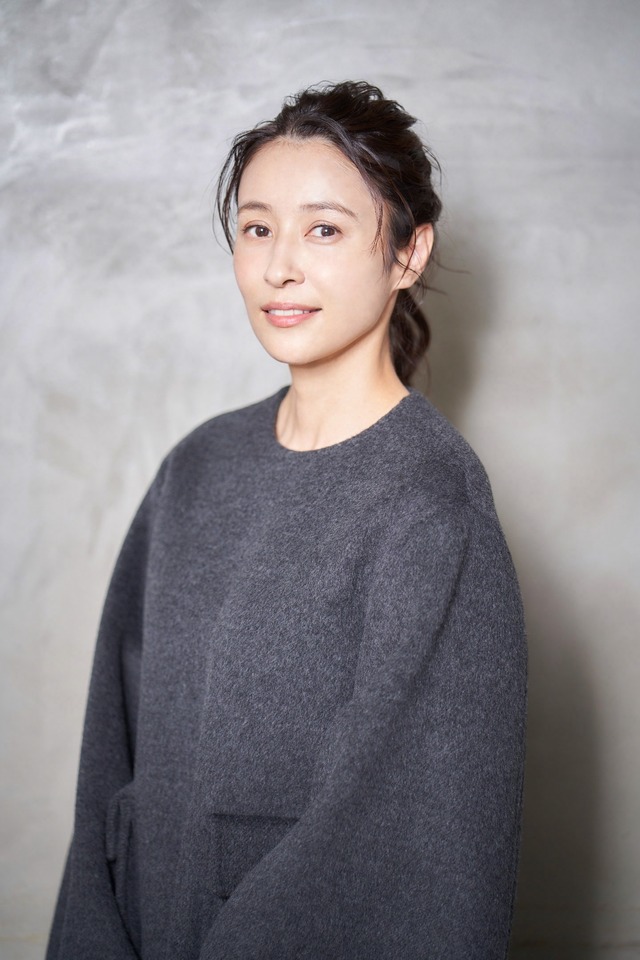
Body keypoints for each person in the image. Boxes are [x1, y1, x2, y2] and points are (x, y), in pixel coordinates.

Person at [46, 80, 527, 960]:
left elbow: (409, 855)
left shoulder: (431, 507)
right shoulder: (197, 468)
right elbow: (110, 764)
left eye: (325, 230)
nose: (279, 268)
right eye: (258, 228)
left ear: (410, 253)